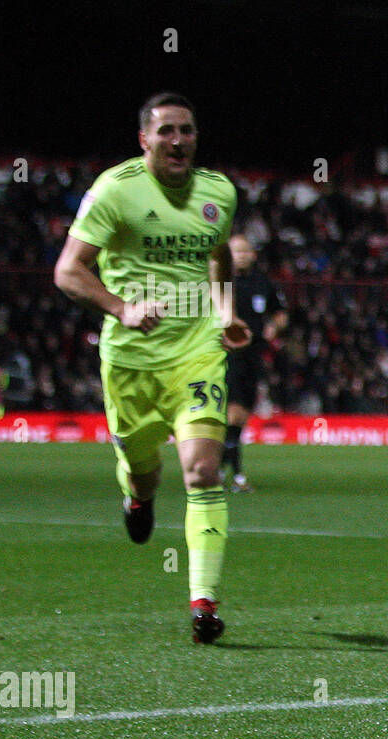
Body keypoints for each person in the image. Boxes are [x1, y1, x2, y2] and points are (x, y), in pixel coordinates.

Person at [54, 92, 251, 643]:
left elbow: (219, 254)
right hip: (131, 363)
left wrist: (226, 310)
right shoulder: (115, 191)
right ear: (144, 139)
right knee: (146, 469)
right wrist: (121, 307)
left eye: (186, 130)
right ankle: (138, 495)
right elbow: (68, 271)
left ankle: (204, 603)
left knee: (202, 472)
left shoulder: (218, 192)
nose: (178, 141)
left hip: (197, 354)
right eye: (166, 131)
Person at [222, 234, 286, 492]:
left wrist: (274, 325)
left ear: (254, 254)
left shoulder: (262, 282)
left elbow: (280, 313)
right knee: (233, 414)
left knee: (241, 416)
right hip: (227, 354)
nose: (242, 256)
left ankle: (220, 471)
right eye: (237, 252)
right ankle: (236, 475)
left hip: (254, 355)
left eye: (246, 251)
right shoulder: (220, 282)